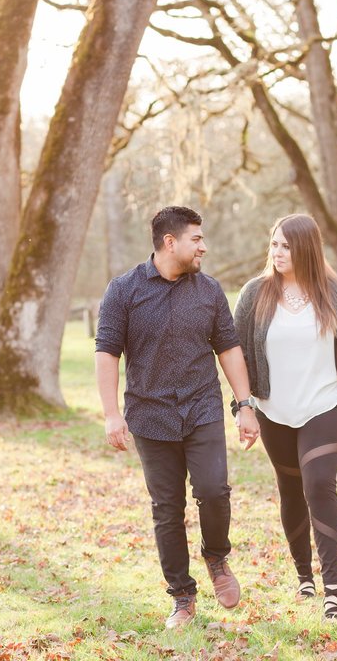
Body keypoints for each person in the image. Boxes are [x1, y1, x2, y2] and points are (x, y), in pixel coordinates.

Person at [95, 206, 261, 629]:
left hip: (202, 408)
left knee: (213, 489)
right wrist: (112, 415)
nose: (203, 246)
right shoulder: (124, 291)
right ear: (171, 242)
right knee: (166, 509)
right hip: (150, 416)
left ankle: (217, 558)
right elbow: (106, 353)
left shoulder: (209, 291)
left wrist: (245, 406)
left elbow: (228, 348)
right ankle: (182, 597)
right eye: (196, 239)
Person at [233, 213, 337, 621]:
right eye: (274, 244)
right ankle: (304, 573)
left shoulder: (333, 294)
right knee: (290, 489)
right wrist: (243, 407)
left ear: (305, 247)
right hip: (274, 410)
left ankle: (332, 591)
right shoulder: (255, 294)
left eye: (285, 245)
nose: (277, 252)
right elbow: (237, 357)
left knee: (319, 484)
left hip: (324, 404)